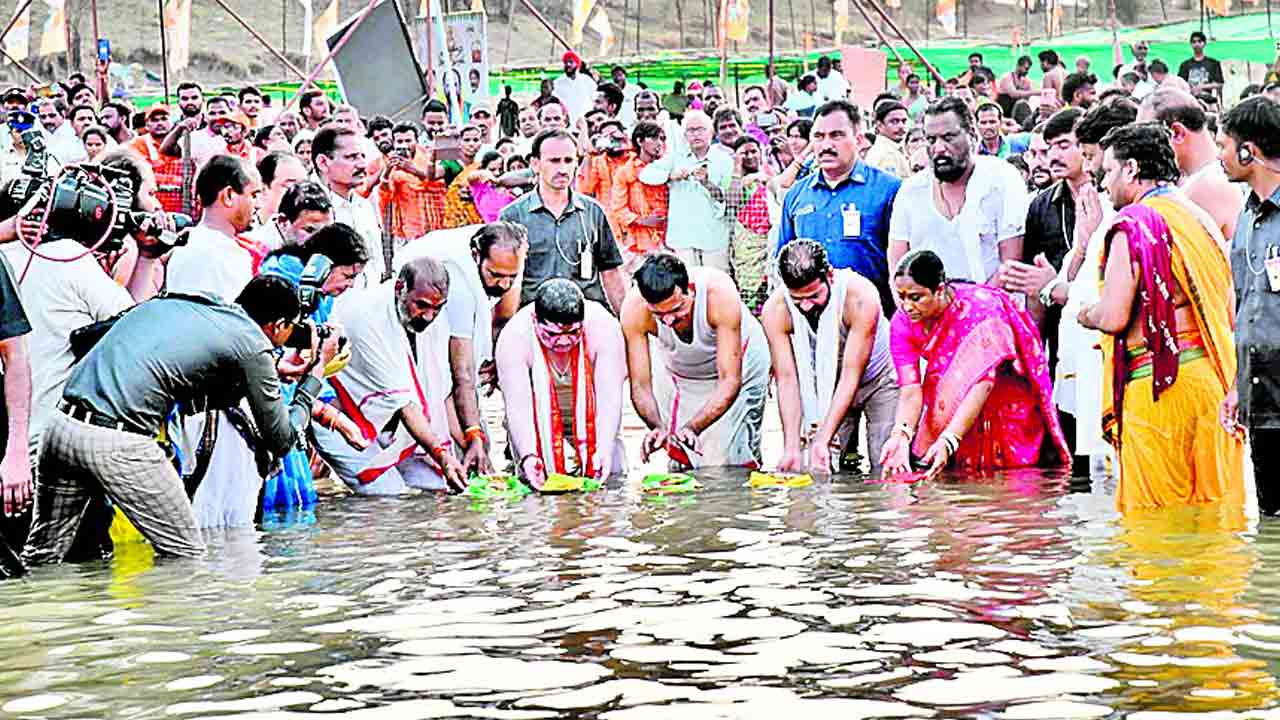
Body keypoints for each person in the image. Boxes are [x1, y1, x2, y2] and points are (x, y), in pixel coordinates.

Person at [22, 275, 340, 563]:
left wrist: (269, 373)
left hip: (62, 426)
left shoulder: (188, 303)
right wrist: (314, 375)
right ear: (277, 325)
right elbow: (282, 439)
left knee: (44, 555)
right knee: (185, 555)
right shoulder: (253, 343)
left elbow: (187, 385)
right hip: (118, 440)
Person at [1079, 122, 1242, 513]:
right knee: (1211, 514)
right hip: (1211, 385)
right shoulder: (1199, 218)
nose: (1105, 183)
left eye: (1109, 172)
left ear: (1132, 169)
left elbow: (1115, 315)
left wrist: (1087, 313)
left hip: (1158, 388)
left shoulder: (1134, 224)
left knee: (1156, 522)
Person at [0, 149, 166, 462]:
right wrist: (147, 257)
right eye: (150, 192)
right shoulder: (65, 255)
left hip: (17, 452)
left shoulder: (9, 255)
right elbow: (136, 326)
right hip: (47, 448)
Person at [880, 250, 1070, 478]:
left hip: (1004, 407)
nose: (907, 306)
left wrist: (950, 439)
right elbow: (910, 389)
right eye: (901, 297)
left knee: (1013, 490)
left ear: (939, 290)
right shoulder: (902, 323)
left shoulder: (981, 310)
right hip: (956, 405)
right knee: (953, 490)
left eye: (915, 297)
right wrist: (901, 435)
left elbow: (983, 383)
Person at [315, 256, 466, 494]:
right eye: (422, 305)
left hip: (395, 425)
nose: (429, 316)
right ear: (400, 289)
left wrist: (469, 441)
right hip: (336, 415)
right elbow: (404, 404)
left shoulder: (430, 318)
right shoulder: (366, 317)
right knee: (387, 495)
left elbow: (440, 391)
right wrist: (441, 454)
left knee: (439, 487)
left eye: (437, 308)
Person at [393, 222, 527, 474]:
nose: (504, 285)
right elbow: (461, 374)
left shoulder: (511, 256)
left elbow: (505, 313)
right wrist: (473, 434)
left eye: (511, 277)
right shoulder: (459, 286)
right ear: (477, 256)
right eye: (495, 275)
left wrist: (496, 356)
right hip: (414, 335)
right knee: (462, 447)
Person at [622, 253, 770, 468]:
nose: (669, 320)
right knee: (679, 456)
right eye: (659, 315)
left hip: (741, 362)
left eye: (676, 309)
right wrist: (656, 427)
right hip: (681, 368)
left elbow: (730, 380)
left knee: (734, 456)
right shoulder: (634, 309)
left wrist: (693, 427)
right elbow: (640, 385)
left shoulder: (719, 294)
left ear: (690, 289)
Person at [763, 241, 898, 474]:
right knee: (818, 465)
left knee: (885, 463)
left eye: (814, 295)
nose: (805, 306)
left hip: (877, 379)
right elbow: (787, 379)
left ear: (830, 276)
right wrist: (792, 446)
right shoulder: (775, 310)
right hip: (826, 384)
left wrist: (823, 438)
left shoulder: (861, 297)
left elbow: (851, 375)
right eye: (797, 299)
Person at [497, 279, 627, 487]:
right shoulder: (515, 336)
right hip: (537, 413)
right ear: (535, 320)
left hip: (591, 410)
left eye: (573, 333)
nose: (564, 342)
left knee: (610, 476)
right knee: (531, 482)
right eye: (553, 335)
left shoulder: (603, 327)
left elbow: (610, 398)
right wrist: (529, 455)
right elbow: (518, 407)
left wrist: (603, 449)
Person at [888, 97, 1029, 285]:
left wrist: (971, 309)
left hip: (992, 306)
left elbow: (1010, 264)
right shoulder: (910, 191)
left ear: (972, 134)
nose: (938, 148)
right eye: (931, 139)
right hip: (924, 309)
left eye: (948, 137)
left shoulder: (1003, 179)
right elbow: (897, 266)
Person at [777, 100, 901, 311]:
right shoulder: (796, 196)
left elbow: (901, 263)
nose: (826, 145)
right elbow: (783, 259)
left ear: (859, 140)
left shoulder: (889, 190)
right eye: (818, 137)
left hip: (876, 317)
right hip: (813, 317)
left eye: (836, 135)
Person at [1219, 96, 1280, 515]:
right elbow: (1246, 304)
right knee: (1270, 520)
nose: (1220, 156)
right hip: (1260, 399)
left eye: (1224, 145)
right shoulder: (1247, 216)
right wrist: (1237, 384)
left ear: (1248, 152)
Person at [500, 128, 627, 311]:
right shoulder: (513, 216)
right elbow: (506, 281)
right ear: (535, 164)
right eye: (554, 161)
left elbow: (611, 272)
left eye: (568, 160)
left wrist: (625, 323)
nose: (562, 169)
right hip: (534, 315)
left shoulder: (592, 212)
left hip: (586, 314)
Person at [1138, 87, 1243, 242]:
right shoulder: (1212, 176)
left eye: (1147, 140)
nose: (1141, 151)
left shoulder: (1207, 186)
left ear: (1177, 133)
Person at [638, 110, 734, 273]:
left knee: (716, 282)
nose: (696, 134)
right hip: (683, 236)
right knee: (688, 284)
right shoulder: (675, 157)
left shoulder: (724, 159)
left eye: (700, 129)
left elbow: (728, 198)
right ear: (684, 135)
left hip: (713, 234)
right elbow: (645, 175)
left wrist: (706, 183)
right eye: (691, 130)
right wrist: (670, 175)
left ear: (711, 132)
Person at [312, 126, 384, 284]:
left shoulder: (364, 205)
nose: (362, 165)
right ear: (323, 162)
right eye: (351, 157)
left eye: (362, 156)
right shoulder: (311, 212)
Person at [610, 121, 669, 275]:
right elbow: (618, 210)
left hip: (670, 239)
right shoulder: (625, 172)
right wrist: (643, 220)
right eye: (653, 138)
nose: (659, 143)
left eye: (662, 139)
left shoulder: (669, 168)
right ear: (639, 141)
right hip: (640, 243)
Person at [726, 136, 772, 315]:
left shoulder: (769, 173)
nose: (750, 156)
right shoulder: (735, 178)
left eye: (754, 151)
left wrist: (763, 178)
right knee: (749, 285)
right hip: (747, 241)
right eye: (744, 153)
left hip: (769, 239)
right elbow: (732, 201)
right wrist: (738, 170)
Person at [576, 118, 632, 242]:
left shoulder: (635, 158)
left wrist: (626, 144)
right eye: (606, 137)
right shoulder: (597, 161)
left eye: (614, 135)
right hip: (610, 227)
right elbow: (584, 189)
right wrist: (589, 155)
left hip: (634, 224)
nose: (611, 141)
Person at [244, 179, 333, 252]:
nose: (321, 241)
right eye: (309, 230)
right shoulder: (251, 254)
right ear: (282, 222)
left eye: (326, 233)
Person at [255, 150, 309, 221]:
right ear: (263, 189)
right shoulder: (243, 230)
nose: (302, 195)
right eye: (290, 186)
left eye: (306, 187)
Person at [864, 100, 912, 178]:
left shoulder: (896, 149)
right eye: (894, 121)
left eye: (904, 121)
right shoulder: (884, 153)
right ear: (879, 125)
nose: (901, 126)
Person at [35, 97, 86, 166]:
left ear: (63, 114)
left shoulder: (74, 130)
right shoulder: (38, 132)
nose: (47, 120)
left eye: (52, 115)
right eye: (43, 117)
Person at [553, 51, 597, 125]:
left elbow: (595, 98)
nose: (568, 64)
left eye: (571, 62)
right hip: (567, 124)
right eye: (566, 62)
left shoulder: (586, 80)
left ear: (577, 64)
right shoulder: (558, 83)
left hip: (586, 122)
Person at [1178, 31, 1224, 100]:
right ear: (1191, 44)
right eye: (1194, 42)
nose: (1196, 44)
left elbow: (1220, 84)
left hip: (1208, 99)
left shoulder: (1213, 63)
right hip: (1189, 99)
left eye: (1199, 41)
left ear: (1204, 43)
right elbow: (1180, 84)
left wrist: (1202, 87)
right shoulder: (1185, 65)